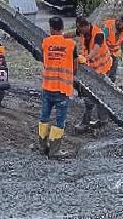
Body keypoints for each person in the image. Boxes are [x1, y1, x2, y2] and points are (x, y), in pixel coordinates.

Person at [38, 16, 78, 159]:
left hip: (48, 87)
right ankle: (54, 152)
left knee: (44, 117)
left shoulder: (46, 43)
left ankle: (42, 147)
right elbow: (75, 64)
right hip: (62, 89)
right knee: (59, 121)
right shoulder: (70, 44)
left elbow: (45, 60)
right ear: (62, 27)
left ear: (51, 28)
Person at [72, 16, 113, 132]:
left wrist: (86, 58)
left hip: (104, 69)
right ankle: (102, 119)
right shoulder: (83, 31)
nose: (79, 31)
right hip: (94, 69)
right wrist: (59, 37)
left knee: (95, 96)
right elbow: (71, 34)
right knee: (96, 95)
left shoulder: (98, 34)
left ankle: (87, 123)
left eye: (80, 29)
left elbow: (95, 49)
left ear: (86, 26)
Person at [103, 14, 123, 82]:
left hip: (115, 53)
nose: (122, 28)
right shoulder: (108, 26)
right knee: (105, 72)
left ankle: (112, 86)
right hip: (105, 52)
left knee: (113, 74)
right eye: (120, 24)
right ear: (118, 22)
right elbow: (102, 40)